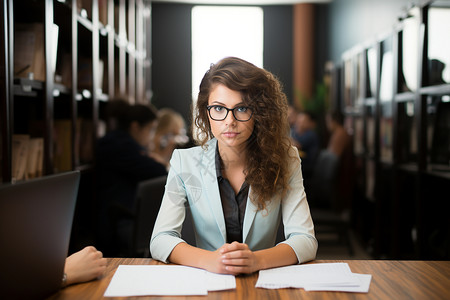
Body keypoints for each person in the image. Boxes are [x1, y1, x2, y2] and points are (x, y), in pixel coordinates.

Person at [150, 57, 317, 275]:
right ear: (206, 112)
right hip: (207, 281)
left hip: (263, 282)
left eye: (242, 108)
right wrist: (210, 261)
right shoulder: (185, 162)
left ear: (259, 112)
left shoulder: (286, 159)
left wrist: (256, 260)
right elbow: (160, 240)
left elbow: (305, 240)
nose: (229, 121)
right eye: (218, 108)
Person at [96, 101, 168, 256]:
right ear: (135, 127)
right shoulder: (119, 146)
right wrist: (155, 160)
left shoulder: (121, 143)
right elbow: (158, 171)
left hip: (124, 213)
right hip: (119, 220)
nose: (151, 135)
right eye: (150, 129)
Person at [292, 111, 320, 179]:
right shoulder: (297, 133)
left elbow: (296, 145)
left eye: (303, 121)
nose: (299, 123)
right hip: (300, 166)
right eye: (299, 120)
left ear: (311, 123)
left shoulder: (311, 135)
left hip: (306, 169)